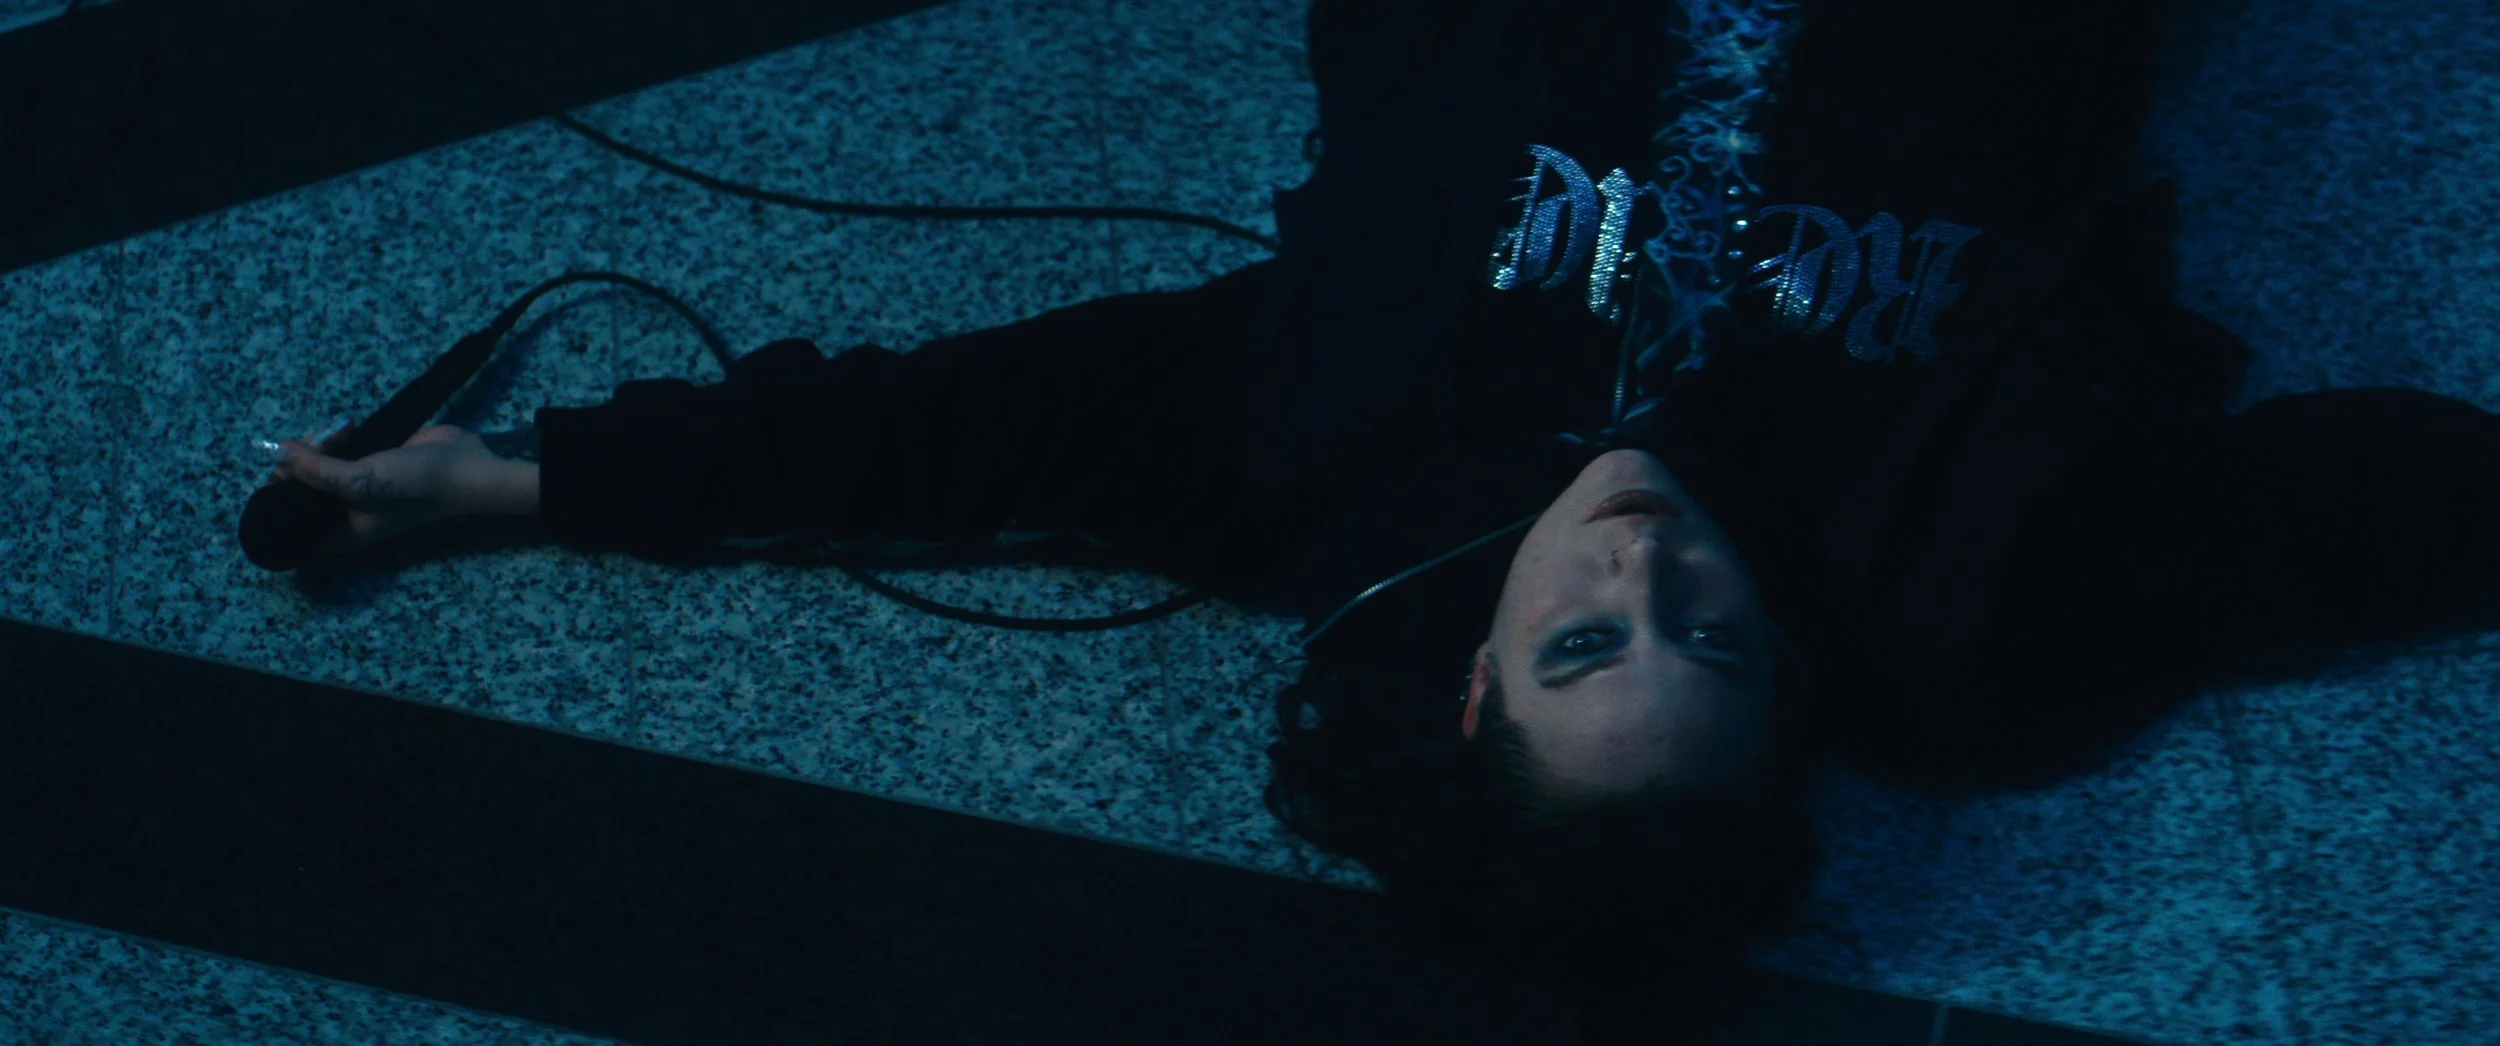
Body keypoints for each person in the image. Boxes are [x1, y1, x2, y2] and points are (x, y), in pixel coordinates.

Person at [263, 0, 2500, 1040]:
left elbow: (957, 432)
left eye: (1582, 641)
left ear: (1473, 682)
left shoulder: (1325, 463)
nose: (1647, 566)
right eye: (1715, 642)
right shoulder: (1978, 603)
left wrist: (518, 481)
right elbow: (2360, 515)